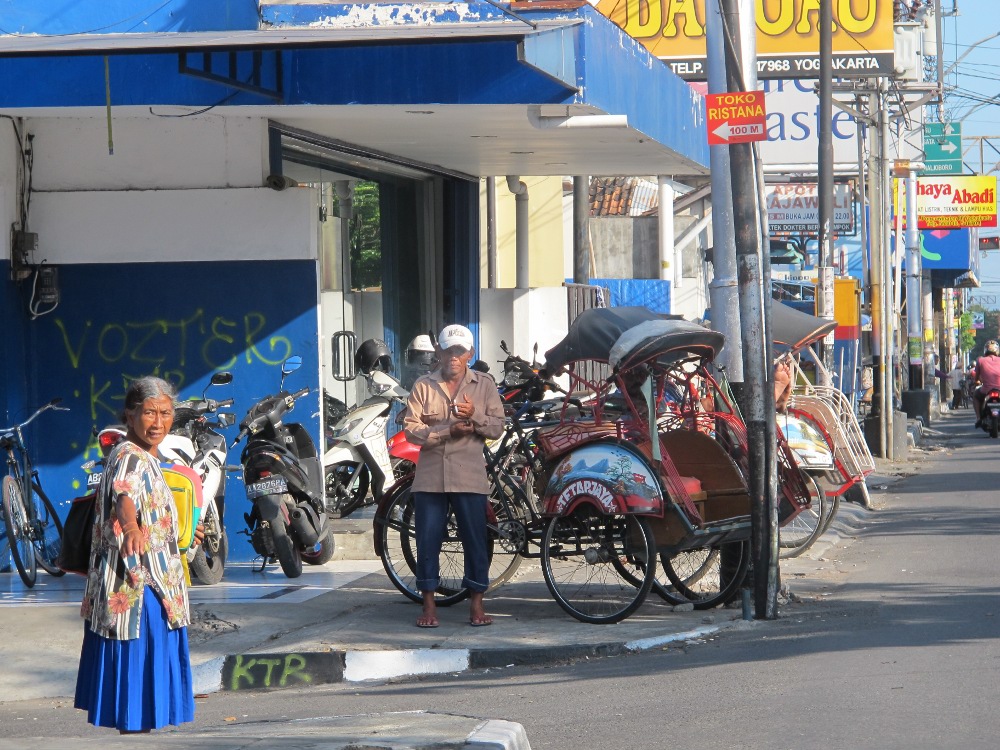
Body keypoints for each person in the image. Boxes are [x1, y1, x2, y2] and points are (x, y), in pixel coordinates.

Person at [75, 376, 198, 734]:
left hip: (147, 574)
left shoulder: (140, 455)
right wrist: (130, 528)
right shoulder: (131, 457)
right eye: (148, 413)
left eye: (165, 413)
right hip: (141, 582)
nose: (158, 422)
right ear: (130, 415)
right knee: (141, 650)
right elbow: (124, 497)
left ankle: (137, 722)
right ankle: (136, 722)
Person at [403, 324, 504, 628]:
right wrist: (446, 431)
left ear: (470, 354)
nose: (454, 357)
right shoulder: (423, 385)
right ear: (439, 352)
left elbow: (497, 428)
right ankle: (429, 606)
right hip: (431, 477)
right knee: (427, 540)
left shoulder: (484, 385)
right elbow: (411, 430)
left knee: (475, 539)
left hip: (468, 475)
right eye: (448, 350)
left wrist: (473, 414)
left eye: (460, 352)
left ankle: (476, 604)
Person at [971, 340, 1000, 427]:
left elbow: (976, 376)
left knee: (976, 396)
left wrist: (976, 381)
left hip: (986, 389)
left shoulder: (980, 360)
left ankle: (978, 418)